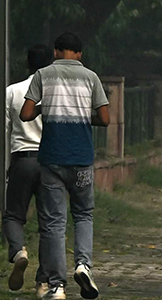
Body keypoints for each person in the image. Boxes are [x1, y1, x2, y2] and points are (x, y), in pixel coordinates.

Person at [20, 33, 108, 300]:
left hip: (51, 160)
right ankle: (83, 265)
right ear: (79, 54)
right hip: (81, 159)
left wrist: (43, 110)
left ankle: (57, 286)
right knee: (83, 215)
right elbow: (104, 118)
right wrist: (81, 117)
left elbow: (25, 113)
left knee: (54, 223)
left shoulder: (43, 75)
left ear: (56, 51)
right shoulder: (91, 77)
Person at [5, 45, 54, 297]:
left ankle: (18, 251)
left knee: (13, 215)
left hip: (21, 159)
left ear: (27, 64)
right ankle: (43, 282)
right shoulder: (56, 91)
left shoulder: (12, 91)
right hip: (49, 163)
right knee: (48, 224)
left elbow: (5, 131)